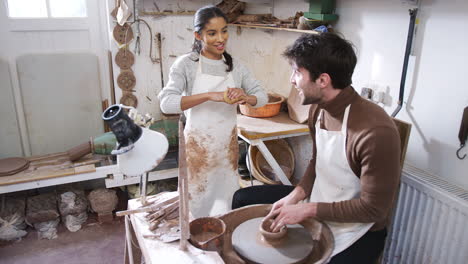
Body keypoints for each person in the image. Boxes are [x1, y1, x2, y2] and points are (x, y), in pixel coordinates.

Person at [232, 33, 401, 264]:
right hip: (319, 199)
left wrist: (308, 210)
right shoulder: (318, 108)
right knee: (242, 198)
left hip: (357, 228)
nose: (292, 80)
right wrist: (297, 194)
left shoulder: (374, 131)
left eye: (297, 72)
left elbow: (374, 210)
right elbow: (317, 161)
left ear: (323, 80)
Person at [158, 5, 268, 218]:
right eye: (212, 33)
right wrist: (209, 95)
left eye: (224, 30)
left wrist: (246, 97)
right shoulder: (186, 65)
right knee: (198, 203)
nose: (221, 38)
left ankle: (224, 239)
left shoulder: (236, 66)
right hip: (198, 149)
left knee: (227, 203)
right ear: (198, 35)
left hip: (226, 150)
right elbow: (166, 103)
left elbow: (261, 97)